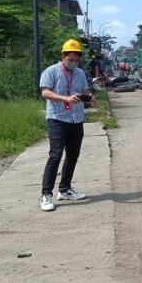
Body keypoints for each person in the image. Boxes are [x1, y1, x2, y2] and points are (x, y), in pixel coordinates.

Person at [37, 39, 91, 211]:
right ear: (63, 56)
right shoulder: (51, 71)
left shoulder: (80, 73)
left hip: (76, 119)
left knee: (73, 155)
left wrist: (89, 97)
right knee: (55, 155)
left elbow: (84, 91)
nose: (73, 63)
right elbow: (45, 92)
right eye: (70, 60)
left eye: (76, 60)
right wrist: (65, 99)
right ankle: (46, 194)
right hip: (57, 119)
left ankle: (65, 189)